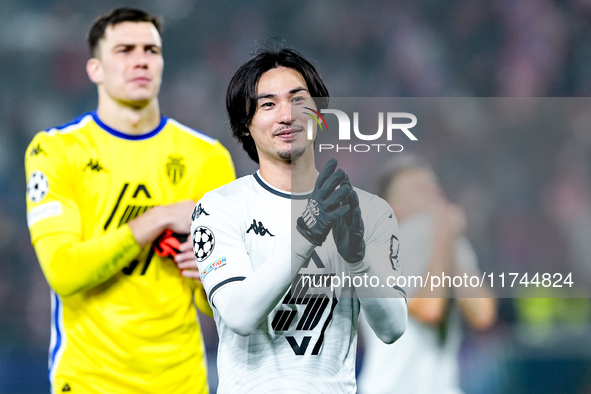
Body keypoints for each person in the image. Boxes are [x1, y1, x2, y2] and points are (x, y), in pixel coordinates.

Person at [24, 7, 235, 393]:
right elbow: (64, 272)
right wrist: (156, 219)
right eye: (124, 50)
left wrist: (210, 270)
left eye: (151, 50)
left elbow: (218, 304)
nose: (141, 59)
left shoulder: (207, 158)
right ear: (95, 69)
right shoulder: (56, 151)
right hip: (90, 381)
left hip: (180, 380)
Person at [190, 46, 407, 393]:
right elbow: (239, 316)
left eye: (298, 100)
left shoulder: (369, 211)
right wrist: (307, 233)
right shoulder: (220, 207)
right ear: (245, 125)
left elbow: (393, 328)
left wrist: (358, 260)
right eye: (268, 104)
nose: (286, 115)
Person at [357, 155, 496, 394]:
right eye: (420, 190)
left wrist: (449, 242)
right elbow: (427, 310)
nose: (434, 198)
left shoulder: (448, 240)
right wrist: (442, 237)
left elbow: (483, 314)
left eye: (435, 189)